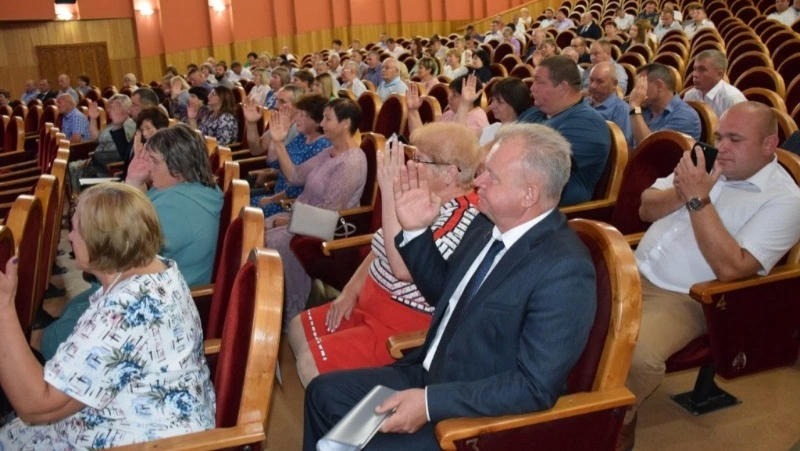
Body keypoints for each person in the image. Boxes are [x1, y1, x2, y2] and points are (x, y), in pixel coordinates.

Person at [303, 122, 597, 450]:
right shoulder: (484, 225)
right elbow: (441, 291)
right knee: (323, 394)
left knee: (360, 443)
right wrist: (416, 231)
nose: (478, 181)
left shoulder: (564, 269)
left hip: (473, 413)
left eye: (492, 176)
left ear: (528, 194)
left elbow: (532, 387)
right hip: (427, 373)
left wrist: (430, 403)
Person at [619, 102, 800, 450]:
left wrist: (698, 198)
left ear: (769, 145)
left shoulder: (786, 200)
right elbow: (645, 208)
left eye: (735, 139)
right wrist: (682, 192)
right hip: (632, 267)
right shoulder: (704, 162)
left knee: (638, 357)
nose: (723, 147)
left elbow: (731, 269)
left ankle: (620, 417)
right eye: (720, 137)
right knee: (560, 305)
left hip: (690, 297)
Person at [0, 183, 216, 449]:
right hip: (147, 413)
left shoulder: (124, 311)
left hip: (152, 440)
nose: (70, 237)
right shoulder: (156, 267)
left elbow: (35, 406)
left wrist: (4, 309)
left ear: (100, 242)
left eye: (75, 229)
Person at [288, 122, 482, 386]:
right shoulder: (423, 194)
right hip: (369, 302)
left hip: (399, 324)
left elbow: (403, 269)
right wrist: (350, 291)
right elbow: (379, 248)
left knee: (310, 362)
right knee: (298, 329)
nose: (410, 166)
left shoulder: (463, 217)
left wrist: (389, 192)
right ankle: (332, 399)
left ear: (449, 174)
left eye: (419, 160)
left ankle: (340, 404)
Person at [40, 124, 223, 359]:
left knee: (55, 339)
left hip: (157, 311)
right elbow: (137, 220)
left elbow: (121, 245)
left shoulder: (180, 207)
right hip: (146, 288)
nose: (149, 167)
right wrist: (134, 181)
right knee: (71, 309)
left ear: (177, 168)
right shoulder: (188, 191)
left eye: (154, 161)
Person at [265, 99, 367, 329]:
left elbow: (329, 216)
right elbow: (295, 176)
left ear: (345, 123)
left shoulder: (352, 161)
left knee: (270, 242)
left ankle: (281, 314)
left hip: (325, 229)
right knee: (254, 227)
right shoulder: (330, 152)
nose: (321, 123)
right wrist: (279, 143)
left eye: (327, 119)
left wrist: (288, 220)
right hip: (302, 217)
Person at [521, 56, 610, 207]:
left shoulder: (588, 122)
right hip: (521, 198)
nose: (532, 88)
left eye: (539, 82)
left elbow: (539, 166)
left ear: (562, 87)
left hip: (554, 212)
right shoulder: (535, 112)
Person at [249, 94, 332, 217]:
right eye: (298, 113)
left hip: (291, 204)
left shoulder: (323, 145)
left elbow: (299, 185)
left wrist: (272, 199)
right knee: (236, 200)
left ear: (317, 121)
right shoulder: (302, 137)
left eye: (303, 115)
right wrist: (277, 138)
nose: (297, 118)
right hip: (277, 193)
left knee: (245, 210)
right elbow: (273, 162)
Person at [67, 94, 137, 193]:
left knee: (71, 168)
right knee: (68, 167)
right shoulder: (111, 125)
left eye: (114, 107)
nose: (109, 110)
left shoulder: (130, 125)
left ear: (125, 109)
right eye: (110, 107)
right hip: (96, 161)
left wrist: (96, 158)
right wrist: (93, 118)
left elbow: (125, 151)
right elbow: (96, 138)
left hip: (107, 165)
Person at [628, 63, 701, 148]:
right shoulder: (644, 109)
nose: (635, 92)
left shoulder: (685, 116)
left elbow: (649, 148)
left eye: (640, 86)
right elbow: (629, 147)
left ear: (659, 86)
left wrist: (635, 107)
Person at [407, 75, 489, 139]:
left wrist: (464, 104)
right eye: (450, 93)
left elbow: (455, 145)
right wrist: (413, 111)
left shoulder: (477, 119)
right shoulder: (450, 113)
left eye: (455, 95)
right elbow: (423, 140)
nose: (449, 97)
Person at [682, 50, 746, 119]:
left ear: (719, 74)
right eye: (694, 69)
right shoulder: (689, 95)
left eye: (702, 69)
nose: (695, 74)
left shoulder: (733, 98)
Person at [586, 61, 633, 146]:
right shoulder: (583, 102)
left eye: (600, 82)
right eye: (591, 80)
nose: (593, 86)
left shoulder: (621, 110)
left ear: (614, 84)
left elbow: (622, 146)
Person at [479, 76, 536, 145]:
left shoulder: (521, 137)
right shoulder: (493, 127)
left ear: (515, 104)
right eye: (493, 100)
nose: (492, 106)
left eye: (500, 102)